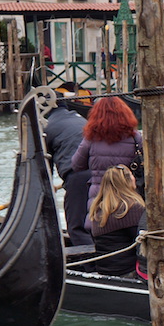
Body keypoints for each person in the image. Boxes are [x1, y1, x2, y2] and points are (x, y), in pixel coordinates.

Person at [71, 96, 143, 230]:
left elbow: (76, 165)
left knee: (100, 230)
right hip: (129, 196)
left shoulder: (91, 138)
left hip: (100, 196)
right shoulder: (135, 138)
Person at [43, 96, 93, 246]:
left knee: (76, 226)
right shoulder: (81, 120)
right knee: (96, 220)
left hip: (77, 175)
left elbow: (45, 162)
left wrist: (48, 186)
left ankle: (88, 265)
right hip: (100, 172)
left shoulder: (48, 126)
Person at [88, 165, 145, 277]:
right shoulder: (132, 208)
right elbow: (142, 244)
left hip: (104, 269)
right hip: (128, 271)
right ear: (127, 181)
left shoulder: (98, 210)